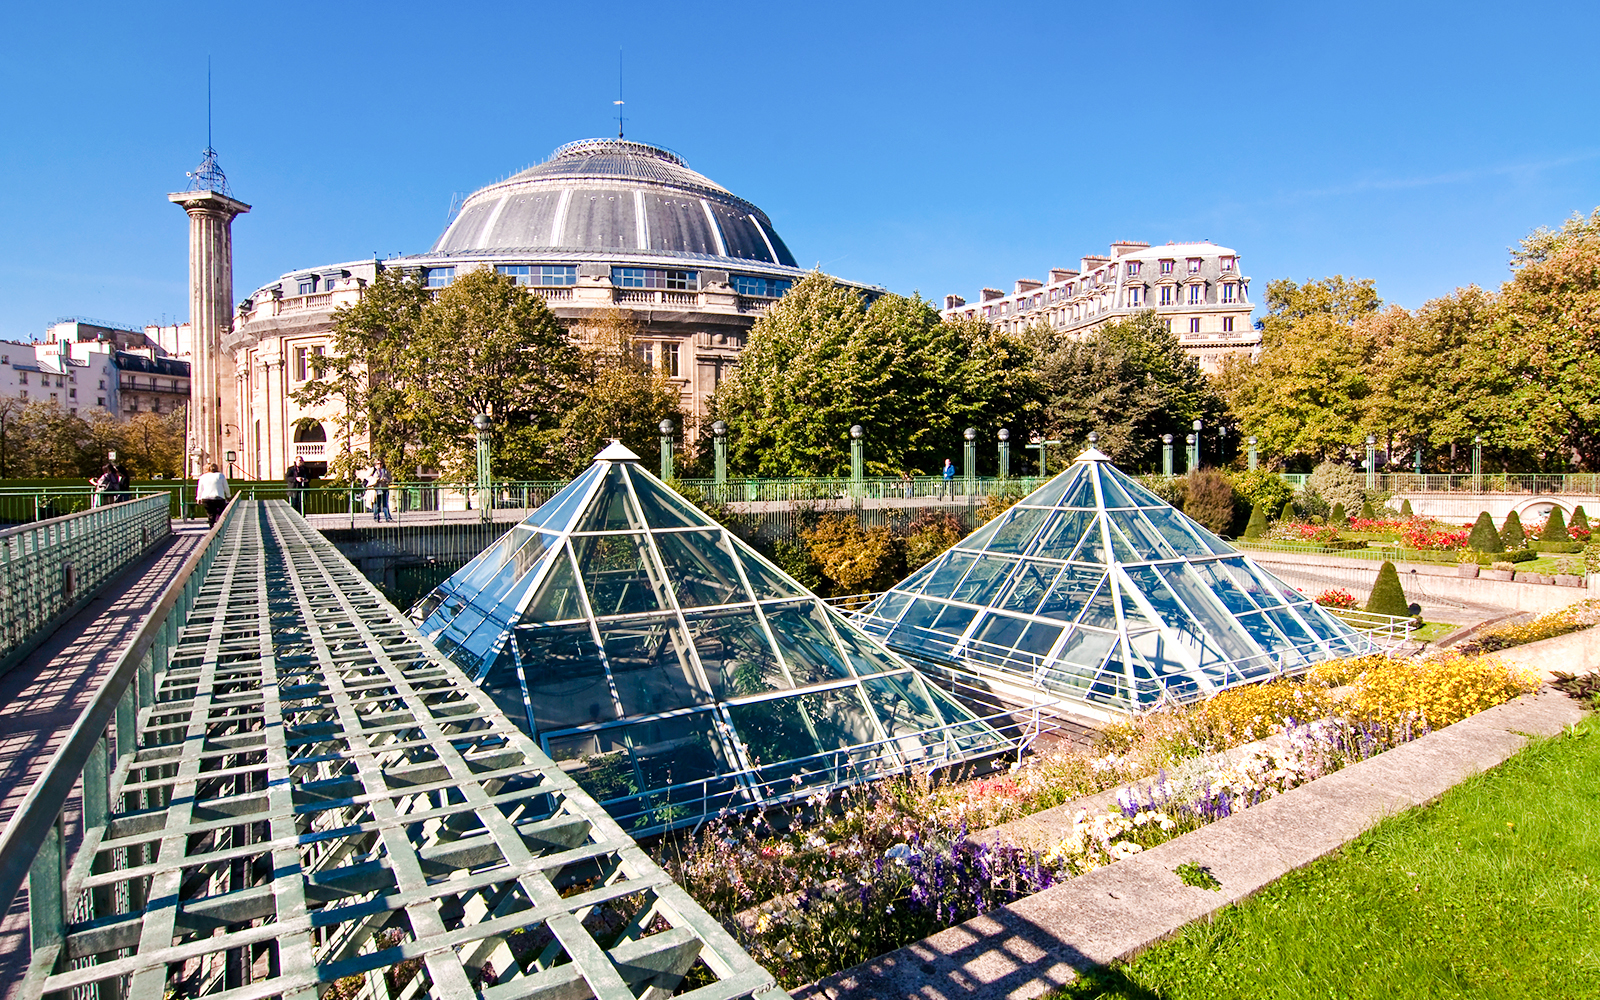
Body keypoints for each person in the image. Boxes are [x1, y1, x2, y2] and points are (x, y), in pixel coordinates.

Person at [196, 463, 231, 528]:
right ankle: (220, 527)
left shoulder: (203, 477)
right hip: (218, 497)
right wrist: (228, 496)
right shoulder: (220, 476)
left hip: (206, 498)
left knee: (210, 514)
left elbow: (200, 488)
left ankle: (211, 526)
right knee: (221, 513)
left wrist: (198, 498)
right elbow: (226, 487)